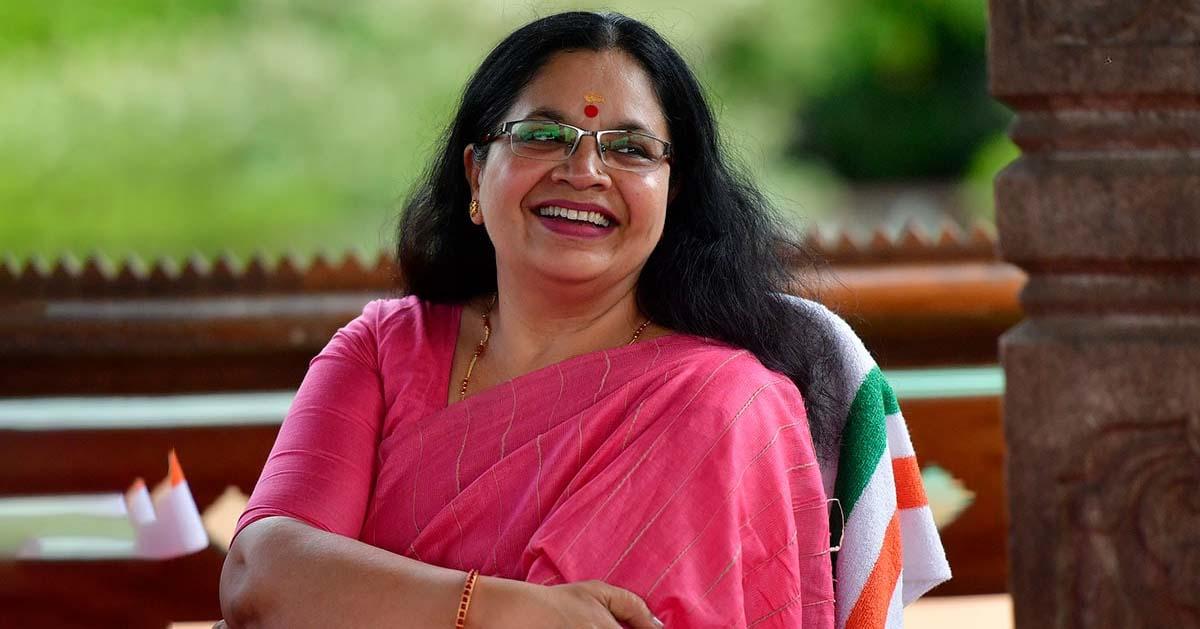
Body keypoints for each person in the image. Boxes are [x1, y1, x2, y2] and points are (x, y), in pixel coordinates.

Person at [220, 11, 841, 628]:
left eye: (630, 149)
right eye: (543, 136)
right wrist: (504, 607)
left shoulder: (720, 403)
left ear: (671, 194)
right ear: (475, 173)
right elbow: (259, 572)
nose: (585, 172)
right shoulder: (385, 348)